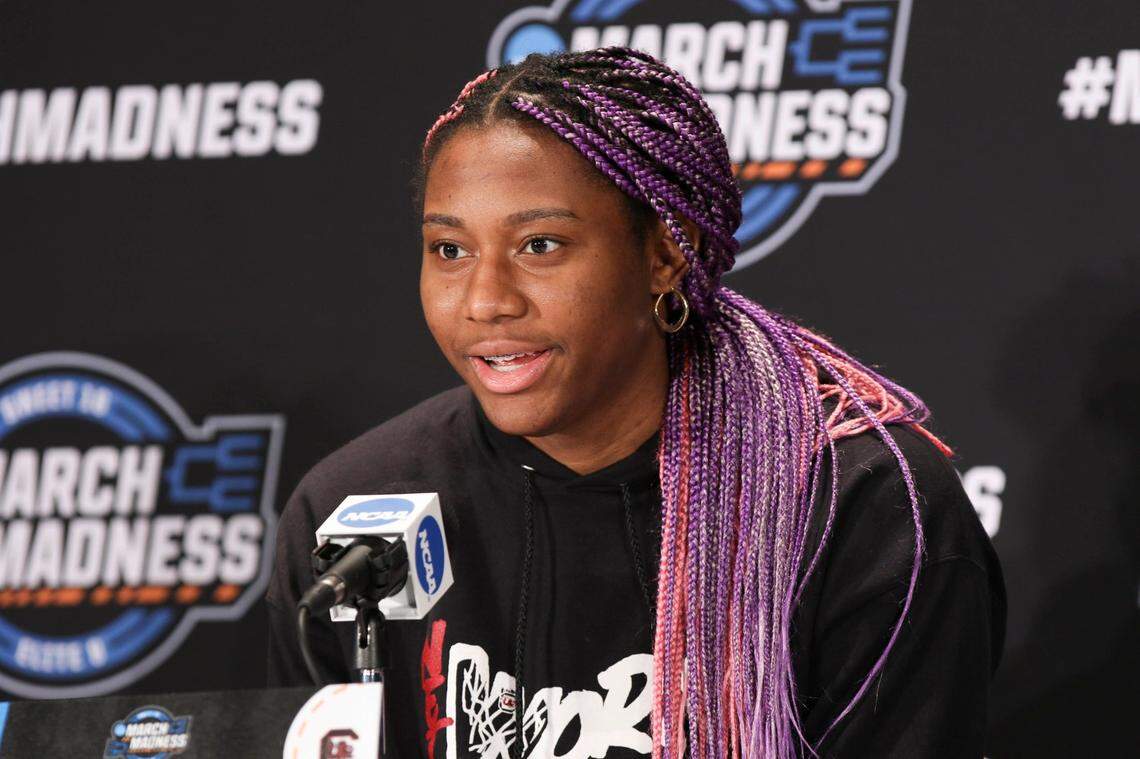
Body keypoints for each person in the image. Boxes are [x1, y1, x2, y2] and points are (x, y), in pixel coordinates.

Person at [266, 47, 1006, 759]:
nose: (485, 300)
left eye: (541, 244)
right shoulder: (348, 510)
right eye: (449, 250)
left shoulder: (854, 509)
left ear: (662, 255)